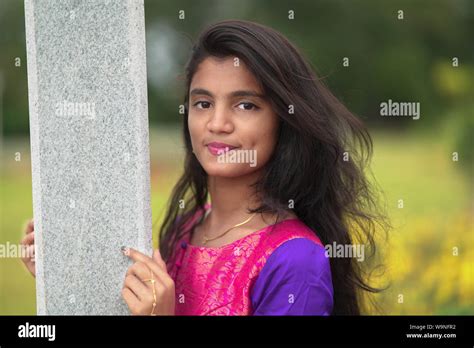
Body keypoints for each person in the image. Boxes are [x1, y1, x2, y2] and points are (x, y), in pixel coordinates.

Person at [21, 19, 384, 316]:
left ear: (284, 121)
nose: (218, 123)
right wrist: (66, 270)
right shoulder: (184, 230)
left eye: (245, 106)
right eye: (203, 103)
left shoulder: (295, 260)